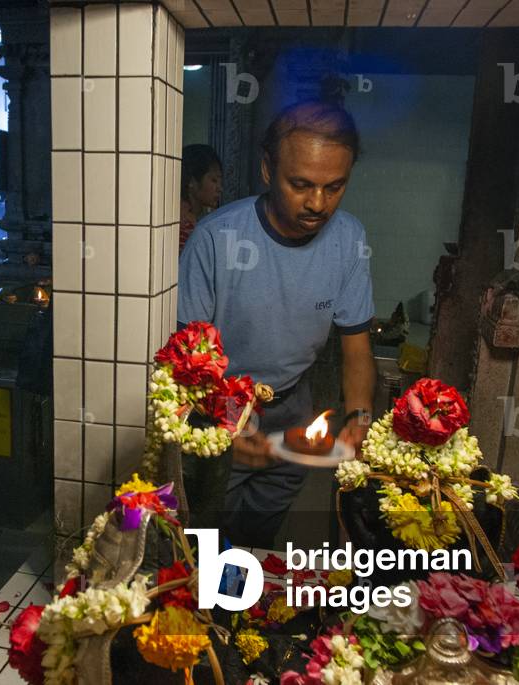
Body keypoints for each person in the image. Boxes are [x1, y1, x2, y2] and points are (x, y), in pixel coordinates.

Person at [177, 101, 376, 549]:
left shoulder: (348, 239)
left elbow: (357, 347)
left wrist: (360, 415)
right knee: (202, 543)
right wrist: (228, 423)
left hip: (293, 409)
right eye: (301, 184)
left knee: (258, 542)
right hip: (220, 411)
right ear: (268, 170)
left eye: (335, 186)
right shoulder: (215, 238)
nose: (317, 204)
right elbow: (185, 362)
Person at [179, 144, 222, 252]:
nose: (220, 189)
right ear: (192, 182)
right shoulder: (184, 226)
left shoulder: (195, 219)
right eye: (214, 180)